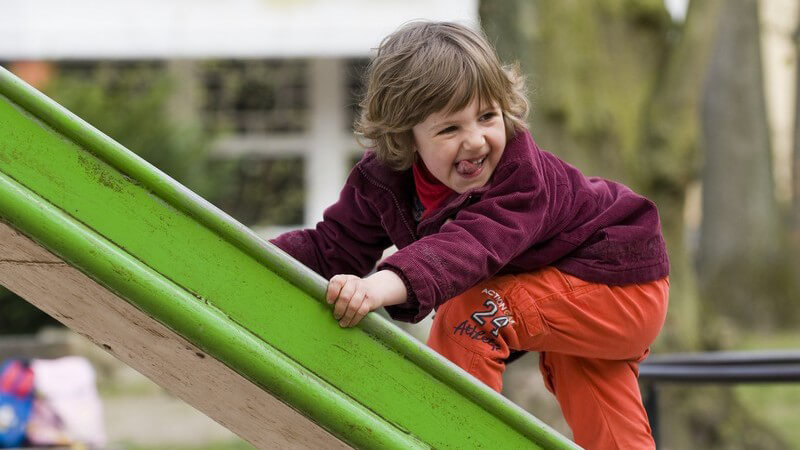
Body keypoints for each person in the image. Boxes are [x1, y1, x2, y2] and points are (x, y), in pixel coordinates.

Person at [270, 20, 669, 450]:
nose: (476, 141)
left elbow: (467, 247)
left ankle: (454, 439)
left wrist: (378, 286)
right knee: (607, 422)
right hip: (569, 296)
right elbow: (331, 248)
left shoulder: (521, 177)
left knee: (471, 315)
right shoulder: (384, 181)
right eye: (450, 129)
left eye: (487, 116)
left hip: (618, 279)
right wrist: (246, 251)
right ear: (406, 136)